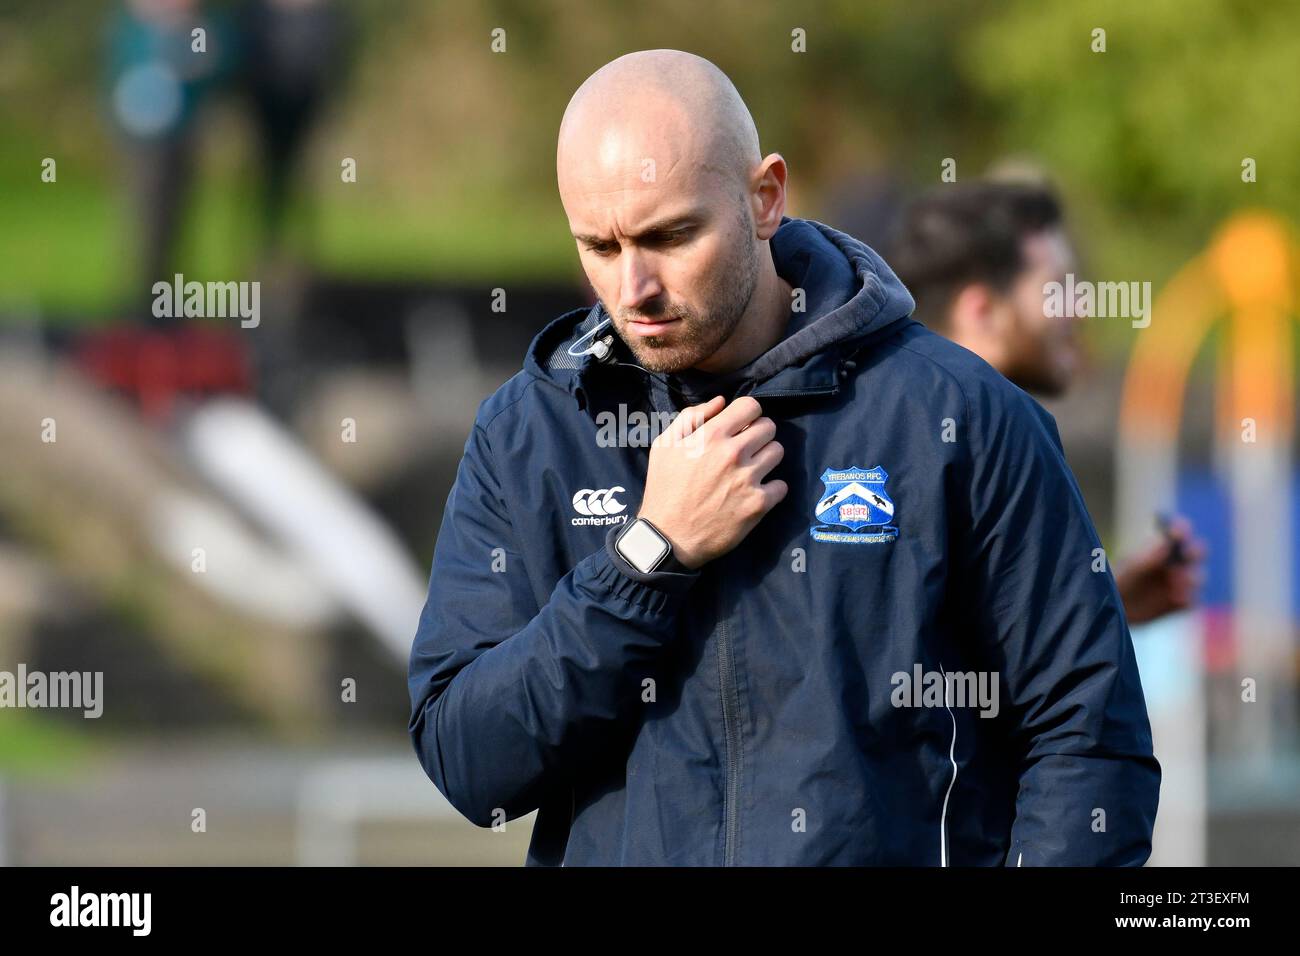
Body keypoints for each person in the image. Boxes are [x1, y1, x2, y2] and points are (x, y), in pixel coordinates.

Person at [407, 50, 1159, 866]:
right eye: (601, 246)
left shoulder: (961, 418)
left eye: (670, 235)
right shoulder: (529, 434)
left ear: (765, 197)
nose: (634, 289)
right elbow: (469, 765)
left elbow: (1088, 742)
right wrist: (647, 557)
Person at [888, 181, 1205, 623]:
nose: (1079, 307)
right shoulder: (919, 458)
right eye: (1057, 288)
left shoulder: (967, 440)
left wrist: (1105, 604)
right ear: (981, 311)